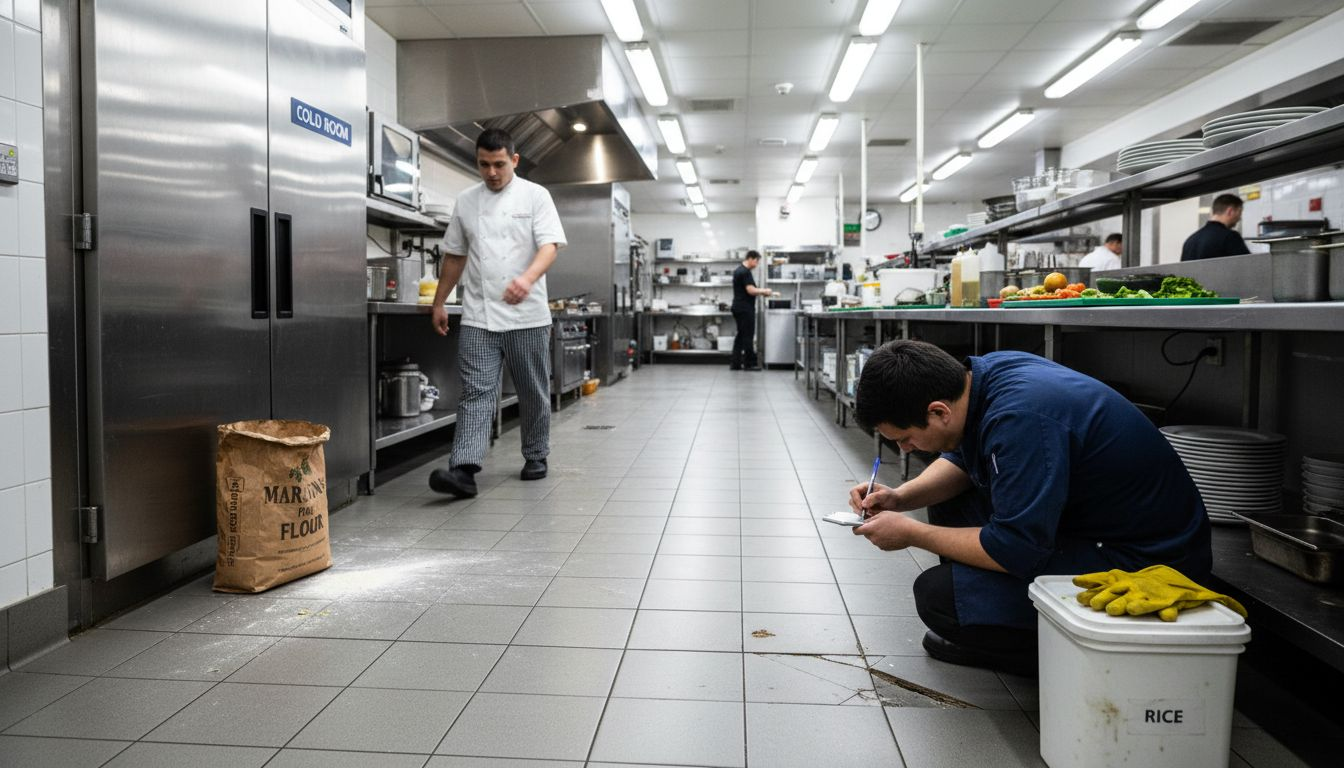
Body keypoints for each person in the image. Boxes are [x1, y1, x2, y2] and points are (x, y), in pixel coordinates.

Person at [848, 340, 1211, 676]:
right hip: (1093, 526)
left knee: (939, 597)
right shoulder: (982, 378)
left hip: (1145, 561)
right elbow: (961, 456)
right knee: (950, 502)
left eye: (905, 439)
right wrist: (900, 498)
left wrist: (912, 533)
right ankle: (999, 604)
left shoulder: (1020, 419)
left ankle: (1065, 660)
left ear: (938, 411)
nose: (907, 449)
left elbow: (1015, 547)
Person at [428, 128, 566, 498]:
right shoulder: (466, 200)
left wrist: (527, 278)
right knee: (475, 392)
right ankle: (464, 470)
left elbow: (550, 246)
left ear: (514, 160)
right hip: (479, 314)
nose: (491, 172)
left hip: (527, 315)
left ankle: (536, 454)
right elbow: (455, 255)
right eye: (484, 164)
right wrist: (440, 301)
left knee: (532, 390)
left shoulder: (536, 196)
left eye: (499, 164)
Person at [729, 250, 773, 371]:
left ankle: (735, 363)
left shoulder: (739, 270)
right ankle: (750, 364)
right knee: (748, 335)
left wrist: (761, 291)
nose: (757, 264)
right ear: (751, 259)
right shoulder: (745, 272)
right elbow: (751, 290)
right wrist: (765, 291)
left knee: (741, 335)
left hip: (739, 307)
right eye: (757, 261)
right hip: (744, 308)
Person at [1181, 194, 1250, 261]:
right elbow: (1249, 266)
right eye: (1239, 212)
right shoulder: (1230, 237)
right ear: (1230, 211)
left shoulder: (1190, 241)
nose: (1239, 218)